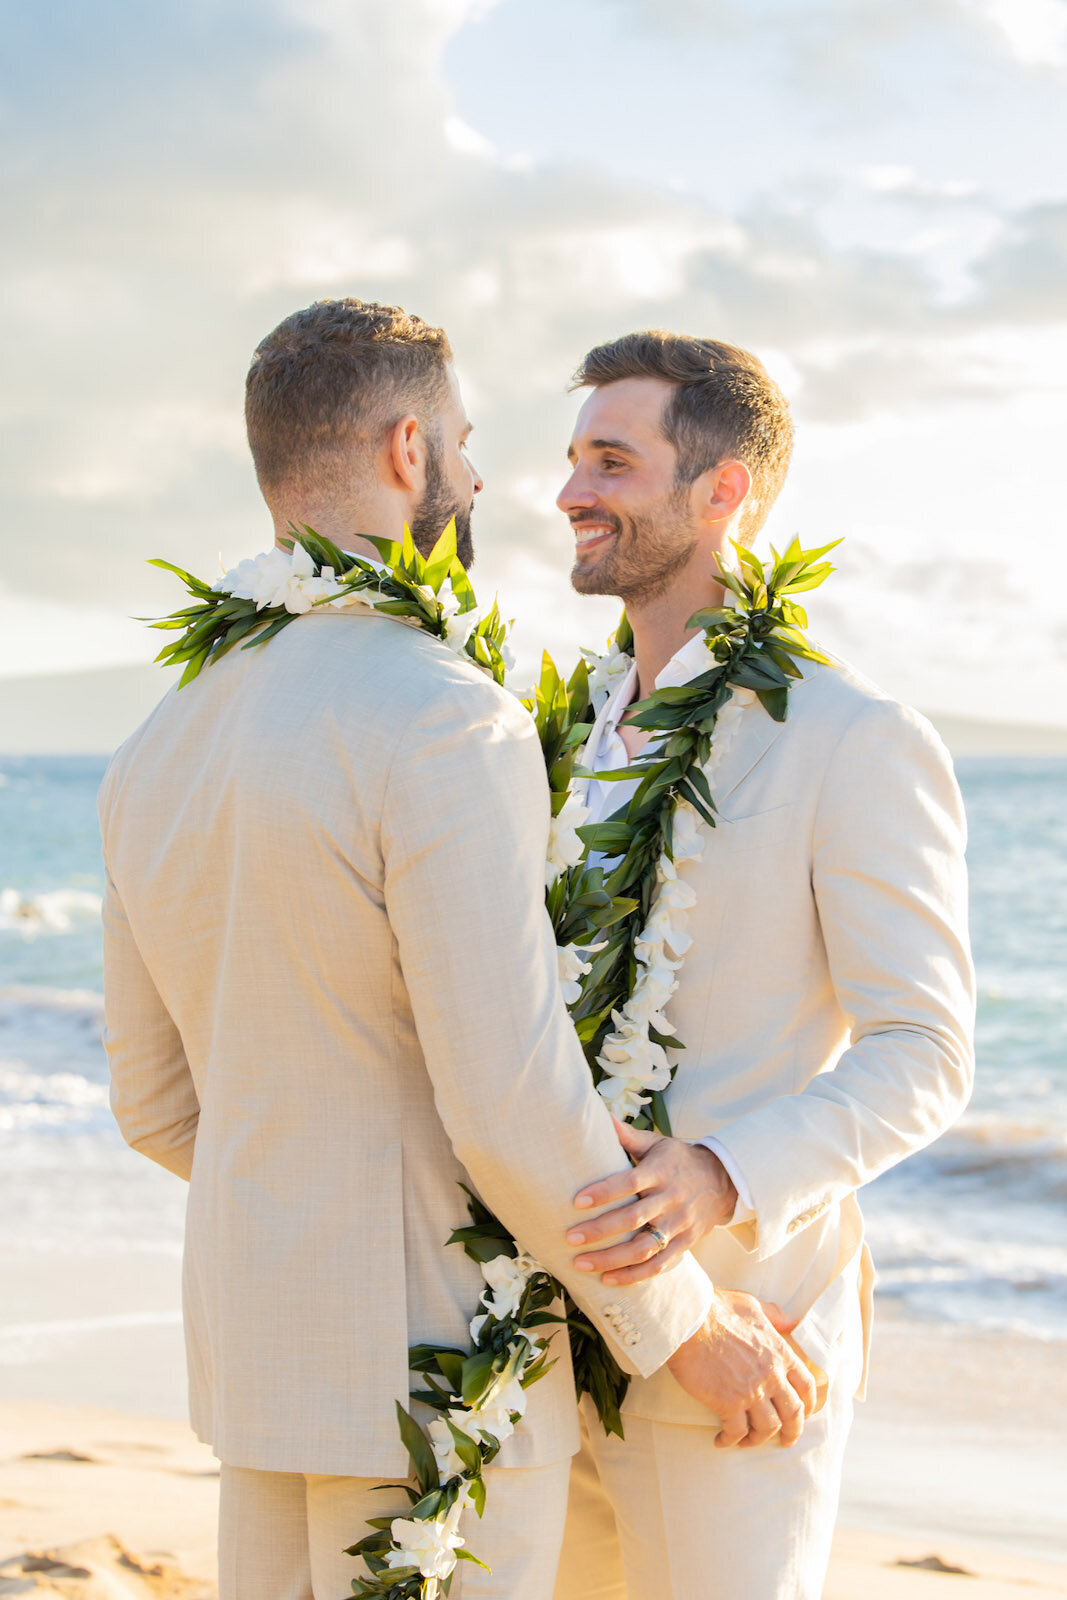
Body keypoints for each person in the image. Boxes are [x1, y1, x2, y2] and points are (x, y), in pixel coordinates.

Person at [99, 299, 797, 1600]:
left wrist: (317, 1202)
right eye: (467, 445)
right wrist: (682, 1326)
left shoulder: (158, 742)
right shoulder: (441, 719)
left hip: (259, 1365)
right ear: (408, 449)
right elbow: (506, 1099)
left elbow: (150, 1100)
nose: (480, 481)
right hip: (436, 1385)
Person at [551, 330, 976, 1600]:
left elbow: (925, 1050)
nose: (571, 492)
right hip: (537, 1339)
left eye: (611, 461)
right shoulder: (554, 731)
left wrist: (723, 1175)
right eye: (572, 459)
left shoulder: (851, 736)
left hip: (745, 1347)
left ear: (722, 489)